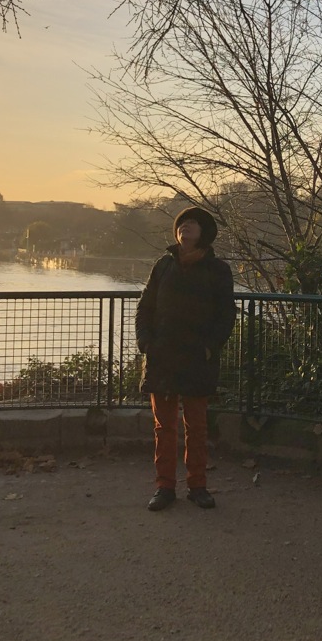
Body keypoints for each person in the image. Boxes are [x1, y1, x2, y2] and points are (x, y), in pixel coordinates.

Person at [135, 206, 236, 511]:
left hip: (197, 357)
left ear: (203, 233)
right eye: (182, 225)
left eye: (192, 224)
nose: (185, 228)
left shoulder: (218, 270)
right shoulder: (163, 266)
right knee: (163, 426)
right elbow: (145, 307)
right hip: (162, 355)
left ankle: (197, 485)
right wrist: (145, 343)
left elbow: (226, 314)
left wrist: (211, 346)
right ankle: (164, 487)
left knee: (197, 425)